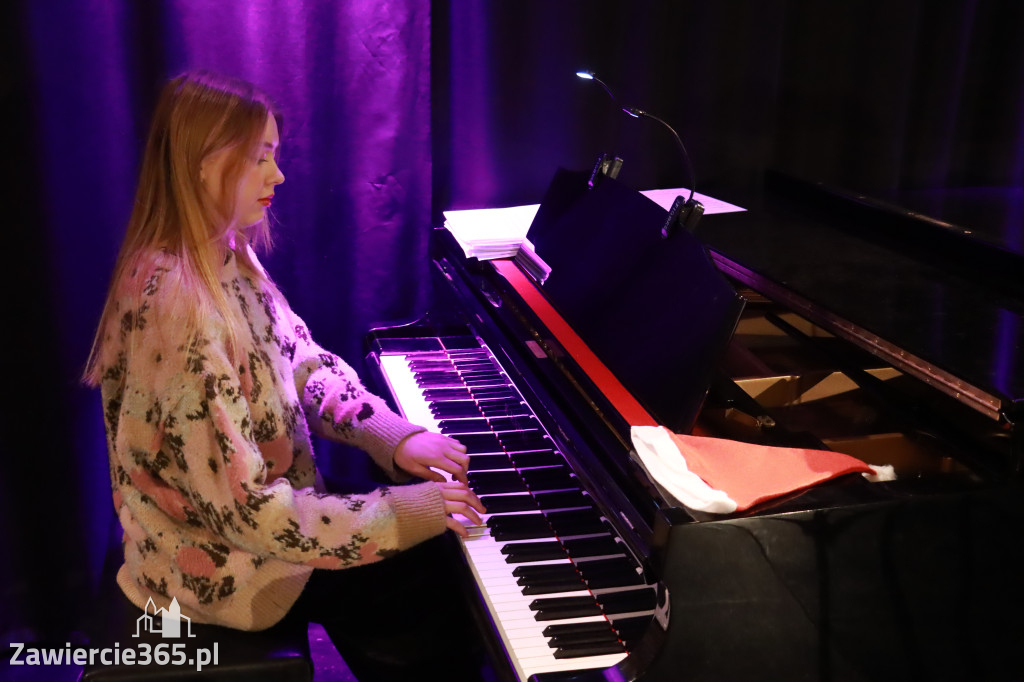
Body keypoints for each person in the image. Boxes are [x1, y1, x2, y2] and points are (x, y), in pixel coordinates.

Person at [83, 70, 488, 680]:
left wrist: (393, 437)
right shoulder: (180, 312)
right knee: (426, 586)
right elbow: (253, 517)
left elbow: (300, 362)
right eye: (260, 158)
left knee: (433, 558)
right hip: (220, 565)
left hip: (255, 522)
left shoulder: (224, 251)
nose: (278, 175)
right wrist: (413, 511)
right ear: (203, 164)